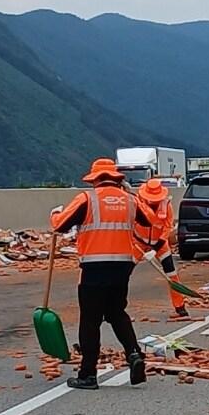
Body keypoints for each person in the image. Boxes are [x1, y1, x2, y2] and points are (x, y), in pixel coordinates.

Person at [50, 158, 162, 390]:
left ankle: (88, 374)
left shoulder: (86, 199)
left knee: (90, 320)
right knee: (117, 313)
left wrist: (55, 213)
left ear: (95, 179)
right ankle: (134, 354)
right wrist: (132, 197)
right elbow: (151, 220)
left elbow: (59, 225)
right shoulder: (131, 200)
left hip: (93, 268)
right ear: (117, 178)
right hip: (122, 267)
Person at [133, 177, 187, 318]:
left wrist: (157, 245)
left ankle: (180, 306)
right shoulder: (136, 204)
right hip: (138, 243)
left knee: (171, 275)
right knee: (122, 273)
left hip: (160, 244)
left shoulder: (166, 205)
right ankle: (113, 306)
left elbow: (168, 226)